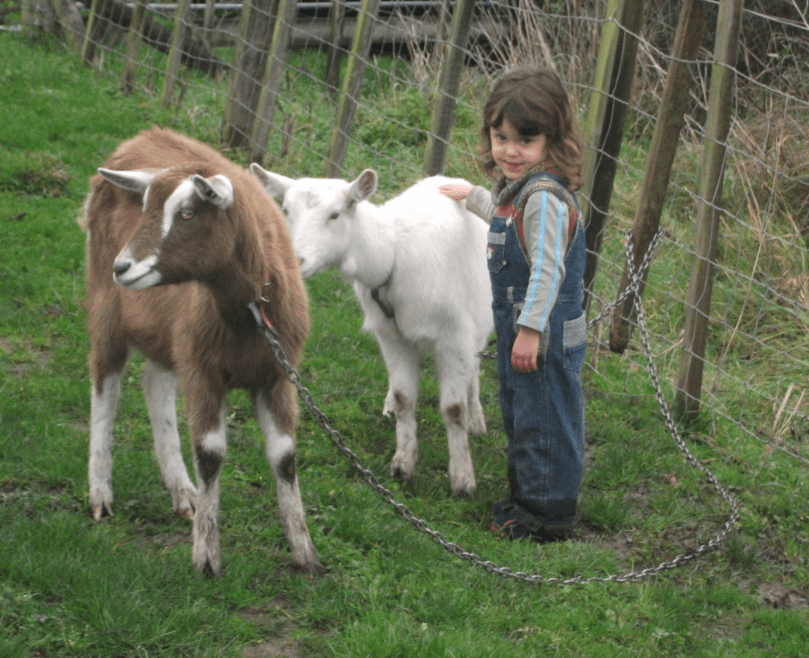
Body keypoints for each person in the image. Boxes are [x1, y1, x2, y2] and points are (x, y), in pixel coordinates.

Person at [439, 67, 587, 542]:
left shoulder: (543, 198)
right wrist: (473, 197)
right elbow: (506, 218)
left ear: (552, 140)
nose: (510, 150)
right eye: (500, 137)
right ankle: (526, 498)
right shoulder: (521, 192)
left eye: (526, 139)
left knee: (544, 415)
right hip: (524, 327)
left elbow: (548, 269)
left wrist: (530, 329)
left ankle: (546, 515)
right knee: (522, 410)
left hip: (541, 331)